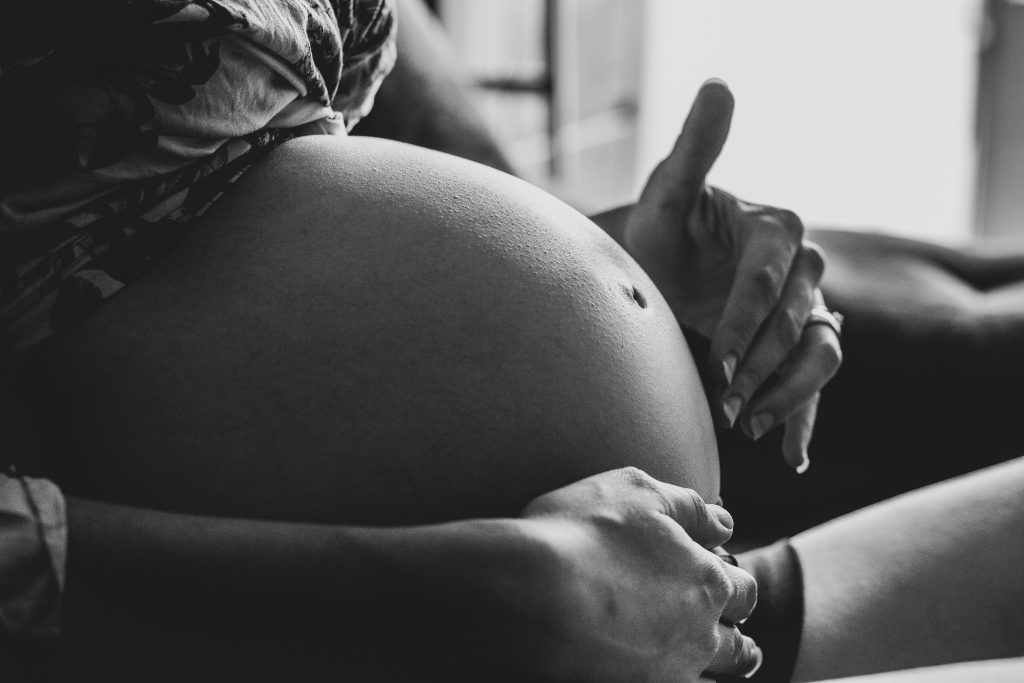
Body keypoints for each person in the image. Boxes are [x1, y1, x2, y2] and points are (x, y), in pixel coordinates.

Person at [1, 2, 1021, 682]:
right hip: (422, 618)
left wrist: (615, 263)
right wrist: (486, 595)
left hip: (661, 603)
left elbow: (241, 219)